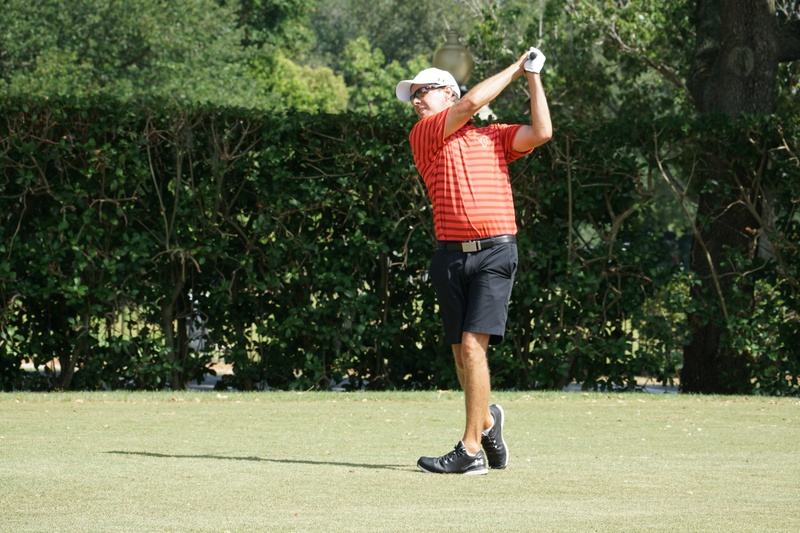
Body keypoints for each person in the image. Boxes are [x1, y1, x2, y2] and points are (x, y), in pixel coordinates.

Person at [395, 47, 552, 475]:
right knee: (460, 355)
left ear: (447, 91)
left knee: (471, 347)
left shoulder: (494, 137)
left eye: (423, 91)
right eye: (413, 95)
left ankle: (470, 451)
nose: (416, 100)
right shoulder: (425, 134)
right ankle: (487, 424)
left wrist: (532, 75)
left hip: (496, 251)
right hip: (448, 256)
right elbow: (470, 105)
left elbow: (542, 131)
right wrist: (516, 68)